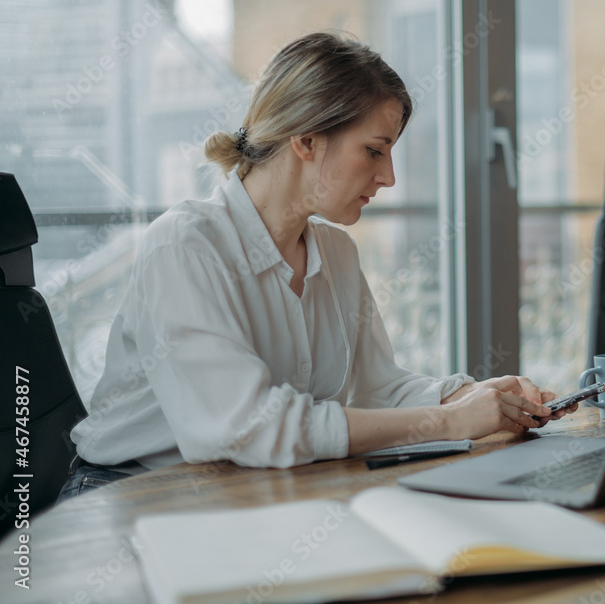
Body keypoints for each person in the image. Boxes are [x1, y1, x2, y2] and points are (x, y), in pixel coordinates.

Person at [61, 32, 572, 500]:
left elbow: (379, 390)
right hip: (132, 495)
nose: (389, 176)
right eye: (374, 151)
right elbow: (249, 428)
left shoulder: (336, 252)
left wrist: (479, 397)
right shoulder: (185, 246)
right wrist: (449, 421)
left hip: (246, 489)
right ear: (305, 139)